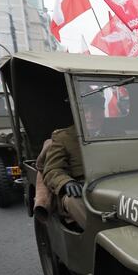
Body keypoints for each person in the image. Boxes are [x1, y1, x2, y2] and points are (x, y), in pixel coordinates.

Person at [42, 98, 105, 230]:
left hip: (110, 184)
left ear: (103, 112)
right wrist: (66, 182)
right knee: (73, 200)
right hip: (80, 189)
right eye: (85, 111)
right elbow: (52, 170)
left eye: (95, 111)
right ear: (77, 113)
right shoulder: (64, 137)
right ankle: (97, 235)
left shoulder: (115, 133)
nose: (90, 116)